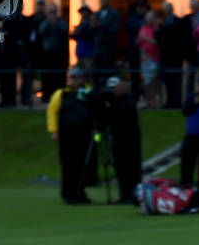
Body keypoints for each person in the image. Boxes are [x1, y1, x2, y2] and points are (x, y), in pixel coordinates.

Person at [46, 67, 94, 204]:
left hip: (84, 135)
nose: (73, 81)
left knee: (83, 165)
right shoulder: (61, 94)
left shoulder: (87, 93)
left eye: (76, 78)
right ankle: (68, 194)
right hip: (67, 136)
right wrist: (53, 131)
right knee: (68, 165)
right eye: (71, 78)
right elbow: (52, 112)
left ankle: (80, 193)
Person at [98, 75, 142, 205]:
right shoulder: (111, 102)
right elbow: (105, 119)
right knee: (120, 168)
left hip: (131, 141)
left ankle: (135, 195)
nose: (113, 91)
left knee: (132, 169)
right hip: (117, 140)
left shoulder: (127, 101)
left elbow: (120, 111)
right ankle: (124, 195)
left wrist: (109, 105)